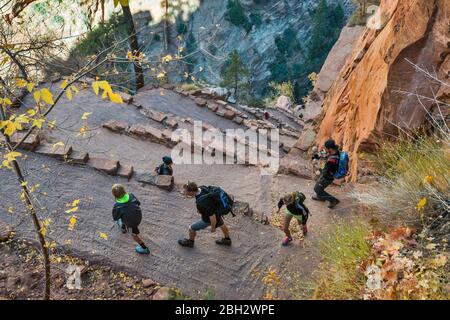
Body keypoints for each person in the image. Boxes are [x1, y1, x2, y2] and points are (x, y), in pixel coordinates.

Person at [178, 182, 232, 248]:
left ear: (192, 192)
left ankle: (190, 242)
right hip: (216, 211)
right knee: (222, 224)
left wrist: (213, 227)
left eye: (186, 192)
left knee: (191, 228)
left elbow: (212, 217)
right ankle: (227, 240)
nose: (185, 193)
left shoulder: (201, 204)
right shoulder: (202, 188)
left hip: (208, 219)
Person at [111, 184, 150, 254]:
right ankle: (123, 227)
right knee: (124, 216)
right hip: (138, 216)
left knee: (134, 234)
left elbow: (115, 217)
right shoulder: (131, 195)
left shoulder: (117, 206)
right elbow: (138, 203)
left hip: (132, 223)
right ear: (124, 191)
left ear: (114, 196)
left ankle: (144, 248)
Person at [311, 139, 340, 208]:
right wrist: (316, 156)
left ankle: (333, 200)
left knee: (317, 189)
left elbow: (325, 171)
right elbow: (324, 154)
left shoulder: (332, 160)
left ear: (330, 149)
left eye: (326, 148)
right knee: (320, 186)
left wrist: (318, 170)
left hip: (328, 177)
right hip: (328, 174)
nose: (325, 149)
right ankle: (321, 197)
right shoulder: (335, 150)